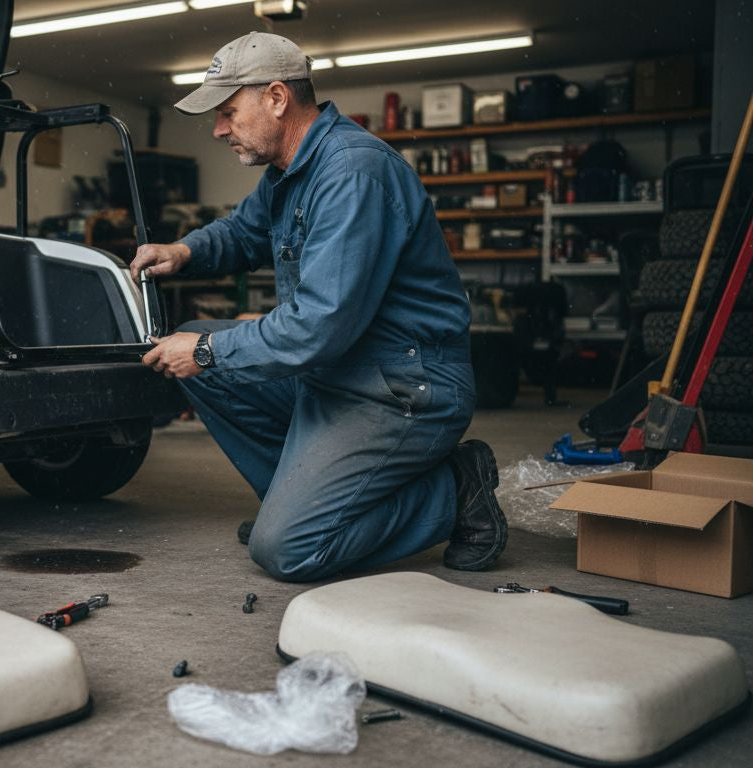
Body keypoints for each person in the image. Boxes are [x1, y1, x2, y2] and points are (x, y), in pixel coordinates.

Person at [133, 32, 506, 582]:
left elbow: (318, 326)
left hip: (402, 386)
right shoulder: (288, 172)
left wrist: (210, 350)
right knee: (194, 347)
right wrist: (185, 250)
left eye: (228, 112)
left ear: (277, 99)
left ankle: (454, 489)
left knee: (288, 550)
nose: (218, 129)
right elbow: (244, 232)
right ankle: (299, 502)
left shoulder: (353, 172)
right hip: (339, 371)